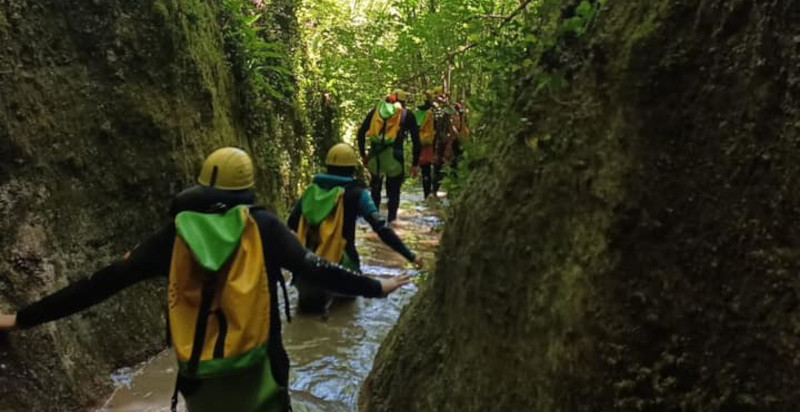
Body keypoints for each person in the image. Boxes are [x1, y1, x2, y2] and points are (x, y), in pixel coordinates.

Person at [0, 147, 410, 412]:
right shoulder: (263, 227)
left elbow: (102, 283)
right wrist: (378, 287)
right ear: (247, 185)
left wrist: (21, 318)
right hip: (260, 367)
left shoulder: (175, 235)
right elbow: (315, 268)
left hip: (199, 375)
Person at [288, 143, 422, 313]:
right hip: (343, 268)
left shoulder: (309, 192)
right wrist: (411, 256)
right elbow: (381, 228)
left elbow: (291, 225)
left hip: (308, 269)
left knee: (307, 317)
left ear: (327, 166)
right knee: (346, 315)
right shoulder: (358, 193)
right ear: (353, 169)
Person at [356, 89, 421, 222]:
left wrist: (363, 154)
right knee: (394, 192)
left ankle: (374, 221)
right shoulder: (407, 115)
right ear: (404, 102)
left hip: (376, 155)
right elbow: (416, 141)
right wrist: (415, 164)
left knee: (375, 189)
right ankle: (391, 221)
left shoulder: (376, 112)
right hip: (395, 156)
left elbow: (361, 132)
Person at [415, 90, 437, 199]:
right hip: (428, 143)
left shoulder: (418, 112)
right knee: (428, 169)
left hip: (420, 142)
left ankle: (426, 193)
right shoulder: (431, 113)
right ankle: (429, 193)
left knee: (425, 170)